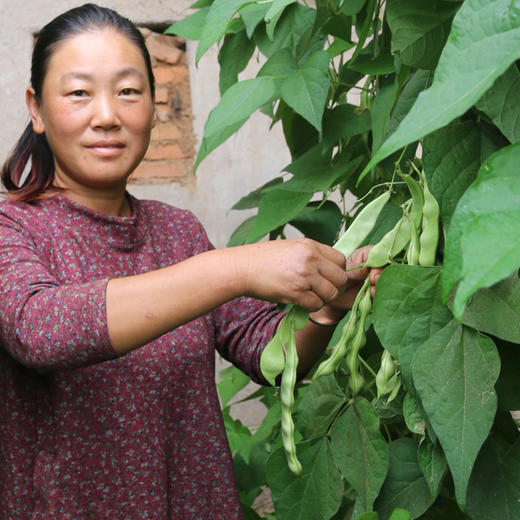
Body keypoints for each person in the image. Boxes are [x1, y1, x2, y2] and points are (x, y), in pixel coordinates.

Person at [0, 4, 381, 519]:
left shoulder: (178, 231)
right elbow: (39, 329)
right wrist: (235, 268)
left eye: (128, 91)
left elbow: (267, 352)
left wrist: (328, 309)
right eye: (79, 93)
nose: (107, 115)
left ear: (155, 106)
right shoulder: (13, 228)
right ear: (37, 108)